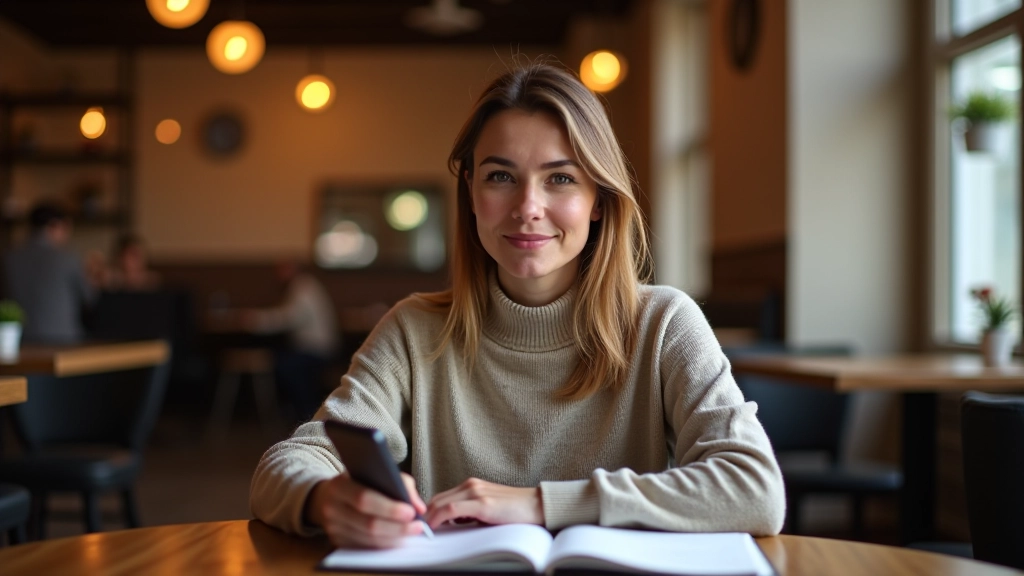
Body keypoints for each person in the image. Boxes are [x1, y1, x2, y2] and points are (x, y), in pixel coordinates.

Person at [250, 62, 785, 548]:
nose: (528, 208)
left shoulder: (664, 323)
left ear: (597, 200)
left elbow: (756, 489)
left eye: (560, 178)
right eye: (501, 177)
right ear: (472, 195)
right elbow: (288, 463)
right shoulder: (415, 331)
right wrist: (326, 498)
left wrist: (537, 504)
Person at [242, 261, 338, 423]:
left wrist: (257, 320)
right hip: (316, 347)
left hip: (316, 349)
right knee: (283, 361)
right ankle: (304, 414)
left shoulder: (302, 287)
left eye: (283, 269)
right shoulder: (305, 285)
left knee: (285, 366)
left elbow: (290, 318)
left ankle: (307, 415)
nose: (279, 275)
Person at [3, 203, 96, 342]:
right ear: (55, 226)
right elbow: (89, 298)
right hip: (63, 340)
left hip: (19, 339)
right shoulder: (67, 258)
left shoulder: (8, 258)